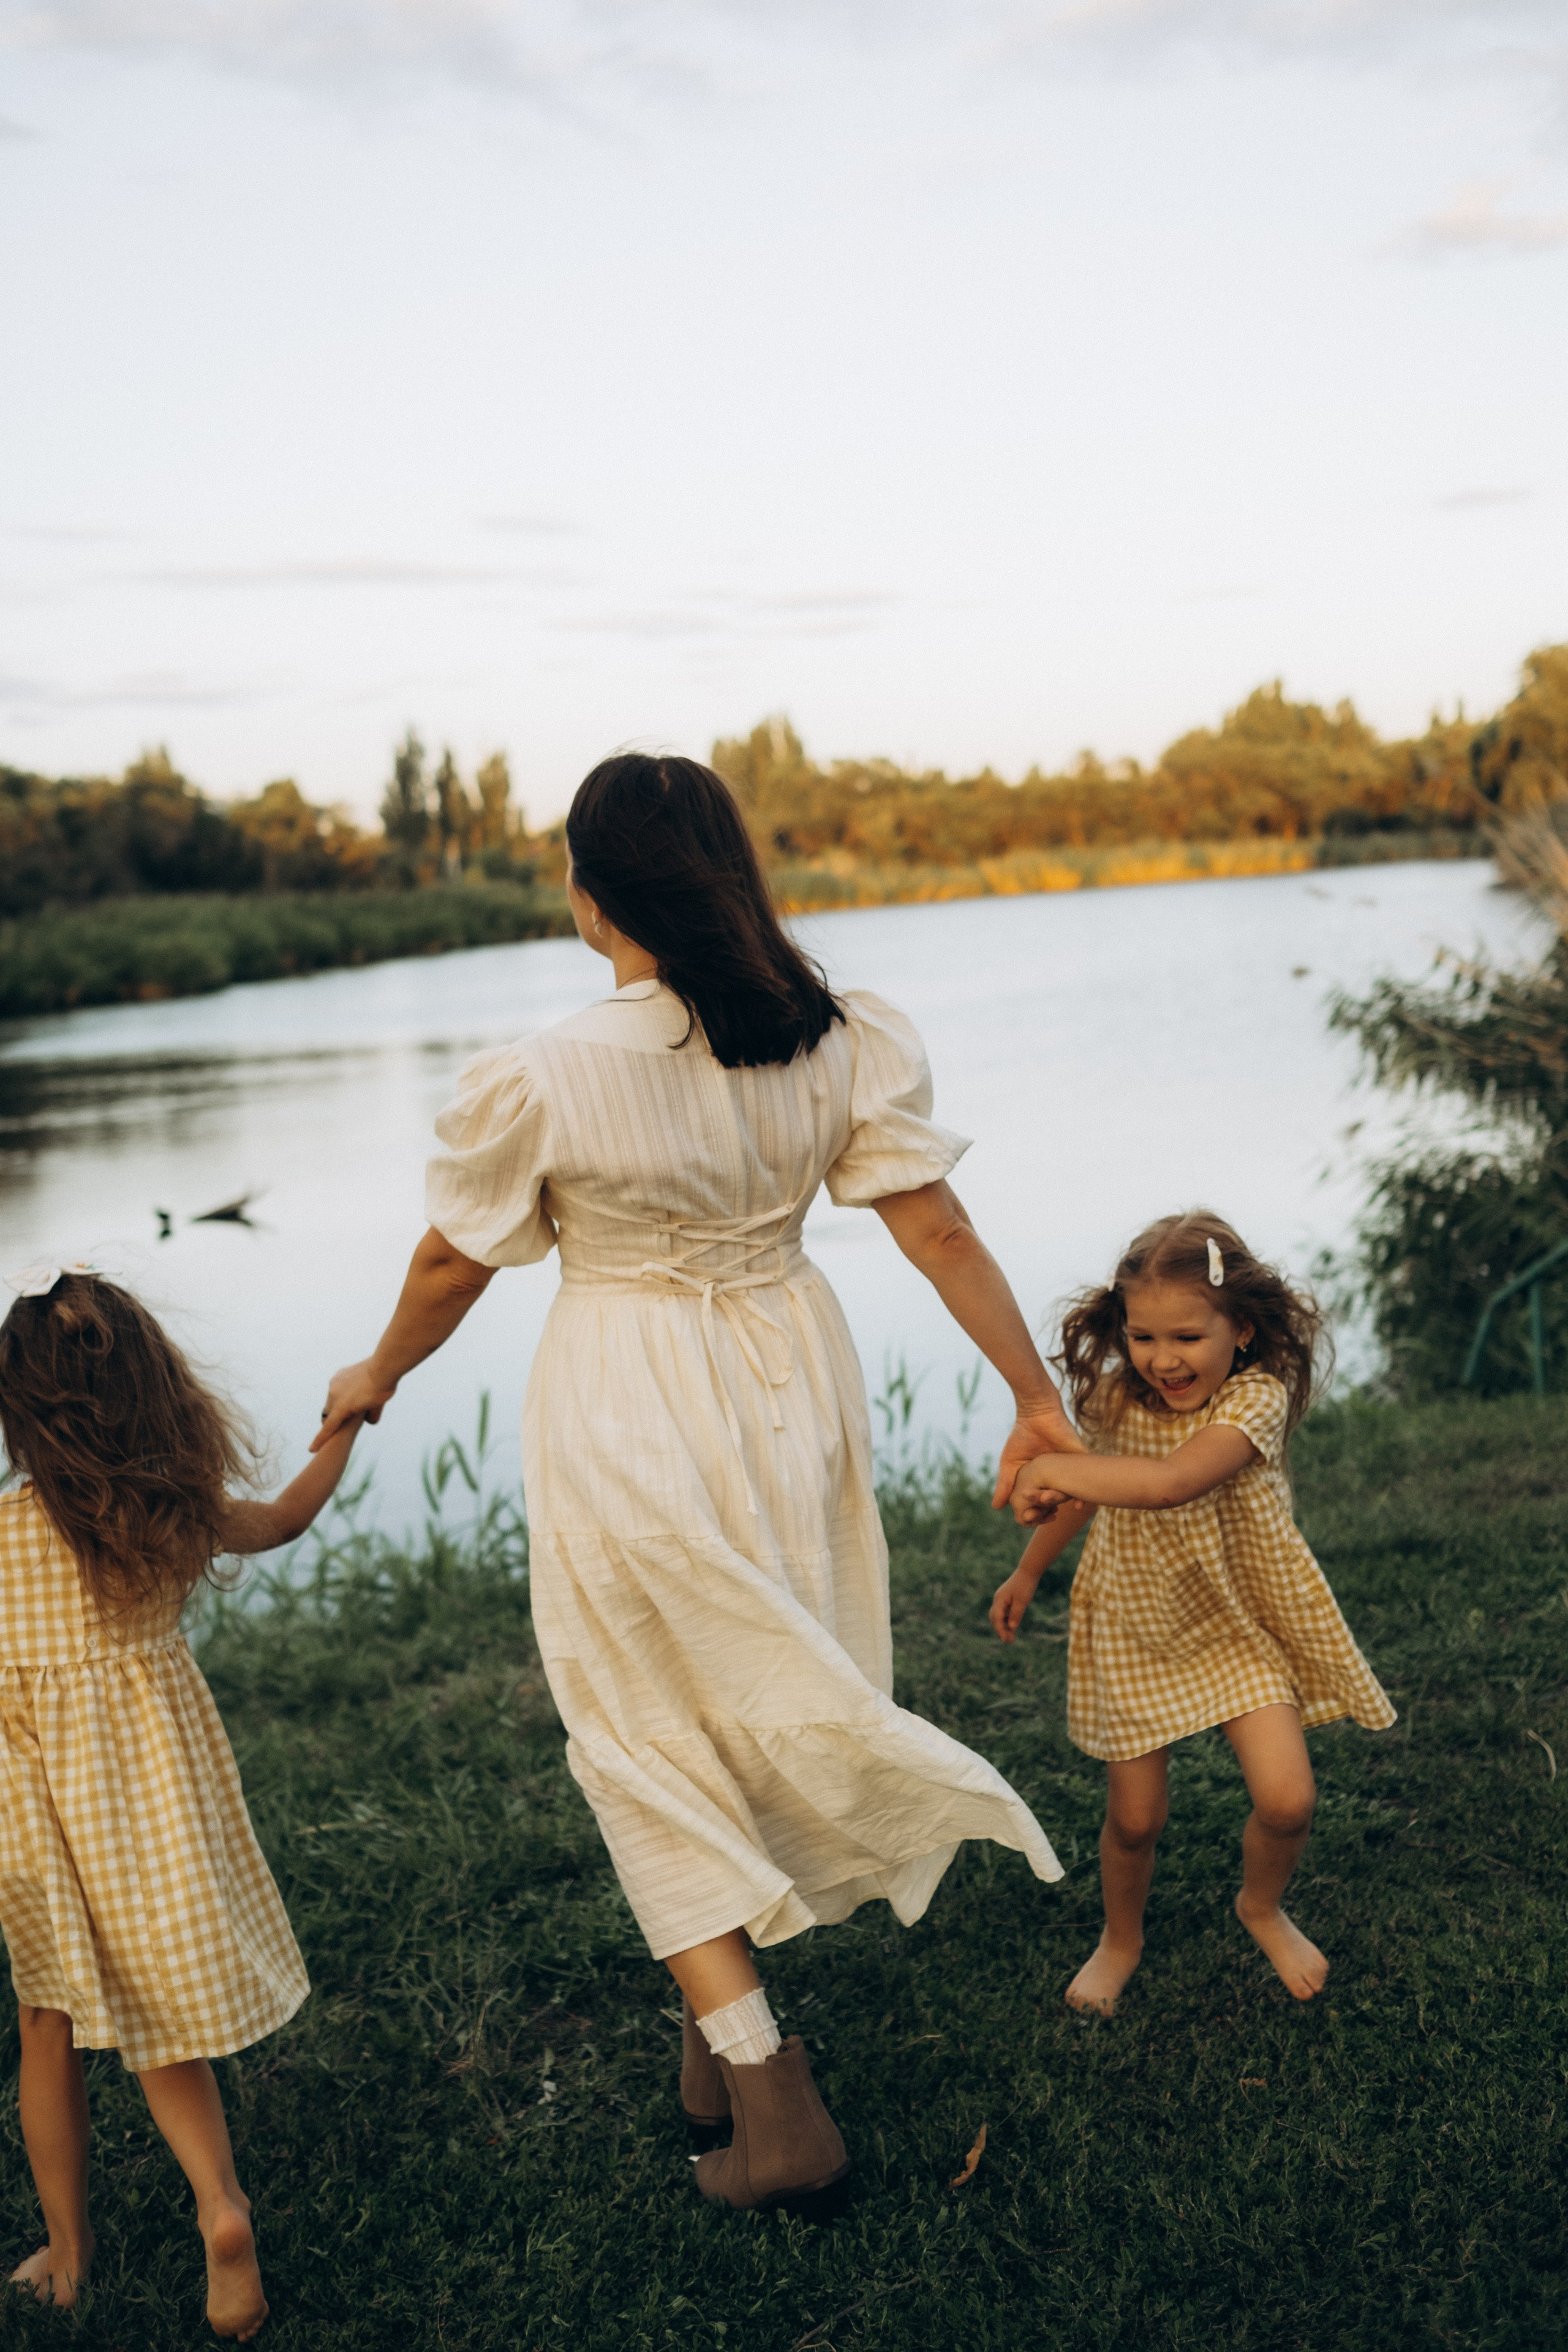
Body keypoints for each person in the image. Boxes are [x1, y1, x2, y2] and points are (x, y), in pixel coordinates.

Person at [315, 753, 1079, 2217]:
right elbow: (933, 1228)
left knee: (635, 1731)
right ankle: (705, 2047)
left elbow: (445, 1259)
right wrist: (1031, 1394)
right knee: (725, 1691)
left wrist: (377, 1374)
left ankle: (772, 2095)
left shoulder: (545, 1071)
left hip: (630, 1393)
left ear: (588, 891)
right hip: (790, 1384)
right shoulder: (833, 1030)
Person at [0, 1264, 361, 2337]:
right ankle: (220, 2203)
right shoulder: (170, 1517)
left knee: (45, 2021)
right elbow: (289, 1517)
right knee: (163, 2025)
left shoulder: (5, 1538)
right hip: (149, 1811)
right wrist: (345, 1420)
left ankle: (68, 2251)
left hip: (33, 1821)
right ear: (155, 1391)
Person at [990, 1211, 1394, 2016]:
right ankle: (1121, 1938)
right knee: (1135, 1820)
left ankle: (1261, 1906)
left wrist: (1051, 1465)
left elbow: (1170, 1481)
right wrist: (1031, 1567)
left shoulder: (1255, 1400)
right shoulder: (1114, 1398)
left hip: (1235, 1621)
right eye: (1143, 1337)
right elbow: (1087, 1492)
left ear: (1240, 1330)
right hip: (1135, 1625)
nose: (1163, 1360)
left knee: (1288, 1799)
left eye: (1186, 1337)